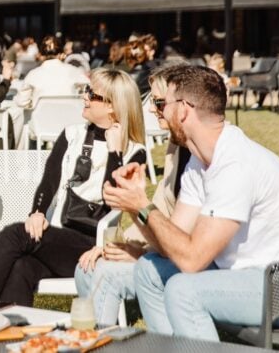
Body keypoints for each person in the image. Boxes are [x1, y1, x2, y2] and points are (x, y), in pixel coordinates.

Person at [103, 65, 279, 341]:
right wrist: (135, 206)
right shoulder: (199, 161)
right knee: (149, 270)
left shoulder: (235, 164)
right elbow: (169, 245)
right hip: (251, 273)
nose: (157, 112)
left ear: (183, 110)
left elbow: (192, 260)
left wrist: (143, 206)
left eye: (161, 103)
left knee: (183, 290)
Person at [0, 69, 146, 306]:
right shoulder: (72, 134)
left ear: (112, 107)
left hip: (91, 246)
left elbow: (113, 198)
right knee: (22, 267)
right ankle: (13, 333)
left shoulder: (134, 151)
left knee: (15, 234)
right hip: (57, 236)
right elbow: (49, 180)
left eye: (92, 95)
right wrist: (38, 212)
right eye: (86, 90)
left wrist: (115, 153)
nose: (84, 97)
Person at [73, 65, 193, 326]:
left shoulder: (203, 156)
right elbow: (160, 205)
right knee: (87, 267)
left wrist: (142, 252)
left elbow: (186, 240)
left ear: (184, 107)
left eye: (158, 103)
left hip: (195, 264)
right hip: (168, 249)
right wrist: (121, 244)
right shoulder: (176, 146)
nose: (150, 108)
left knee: (105, 273)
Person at [15, 35, 89, 109]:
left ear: (40, 55)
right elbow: (89, 89)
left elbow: (21, 102)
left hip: (40, 119)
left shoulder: (33, 74)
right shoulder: (74, 71)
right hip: (69, 117)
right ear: (61, 54)